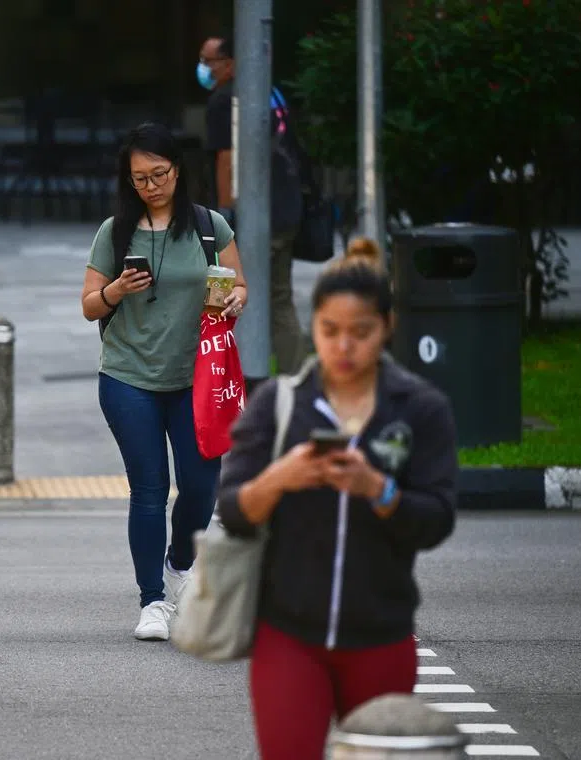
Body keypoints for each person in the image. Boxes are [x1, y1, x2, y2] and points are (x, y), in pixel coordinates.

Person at [215, 238, 458, 759]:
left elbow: (436, 519)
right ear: (314, 328)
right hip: (288, 635)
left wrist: (379, 490)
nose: (343, 347)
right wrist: (279, 478)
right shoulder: (279, 404)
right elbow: (233, 510)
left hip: (381, 634)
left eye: (360, 333)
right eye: (329, 331)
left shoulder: (419, 409)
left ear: (387, 329)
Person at [80, 122, 248, 642]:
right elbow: (89, 306)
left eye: (159, 175)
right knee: (148, 488)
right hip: (129, 376)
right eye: (139, 179)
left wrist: (238, 298)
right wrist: (116, 290)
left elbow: (237, 283)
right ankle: (152, 599)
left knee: (201, 487)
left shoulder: (208, 226)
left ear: (178, 170)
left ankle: (180, 562)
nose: (150, 187)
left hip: (196, 378)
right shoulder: (115, 231)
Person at [198, 34, 308, 378]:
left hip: (251, 218)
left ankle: (223, 378)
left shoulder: (224, 101)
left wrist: (223, 215)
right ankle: (294, 379)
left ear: (230, 64)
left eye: (209, 61)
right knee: (280, 299)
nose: (203, 68)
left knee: (221, 294)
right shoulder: (269, 92)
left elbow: (225, 162)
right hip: (286, 209)